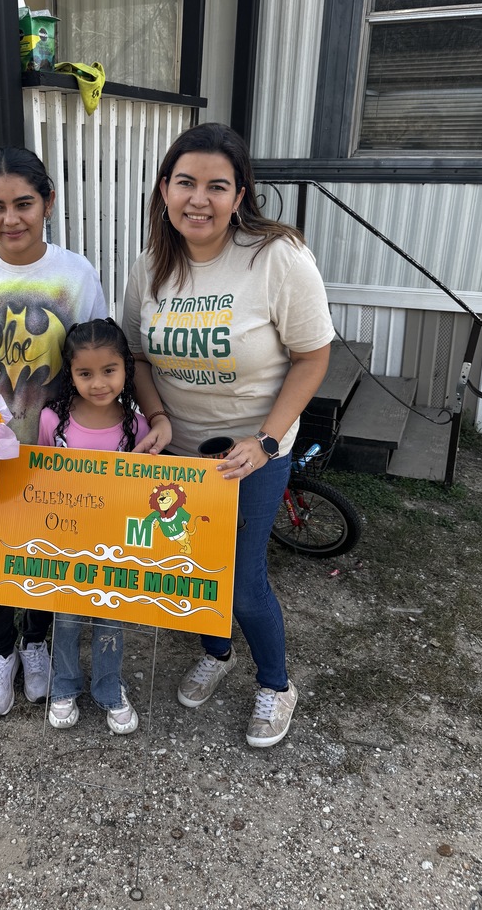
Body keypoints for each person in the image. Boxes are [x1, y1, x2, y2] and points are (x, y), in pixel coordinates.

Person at [122, 122, 335, 748]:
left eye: (218, 186)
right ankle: (216, 653)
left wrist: (267, 441)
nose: (199, 199)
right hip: (179, 454)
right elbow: (137, 357)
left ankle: (276, 683)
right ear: (164, 190)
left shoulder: (277, 258)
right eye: (185, 182)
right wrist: (158, 417)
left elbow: (313, 357)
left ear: (240, 195)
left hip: (253, 452)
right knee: (190, 566)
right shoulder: (150, 266)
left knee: (242, 577)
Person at [0, 146, 108, 717]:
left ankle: (37, 644)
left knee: (44, 556)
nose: (11, 218)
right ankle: (0, 651)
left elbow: (94, 357)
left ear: (48, 203)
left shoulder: (75, 274)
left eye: (24, 204)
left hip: (54, 450)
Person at [37, 318, 149, 735]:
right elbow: (39, 482)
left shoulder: (137, 427)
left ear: (126, 369)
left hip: (117, 547)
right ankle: (64, 684)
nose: (98, 383)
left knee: (110, 622)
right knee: (65, 619)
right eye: (85, 373)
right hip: (66, 545)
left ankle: (108, 687)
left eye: (109, 371)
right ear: (71, 373)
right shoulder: (52, 421)